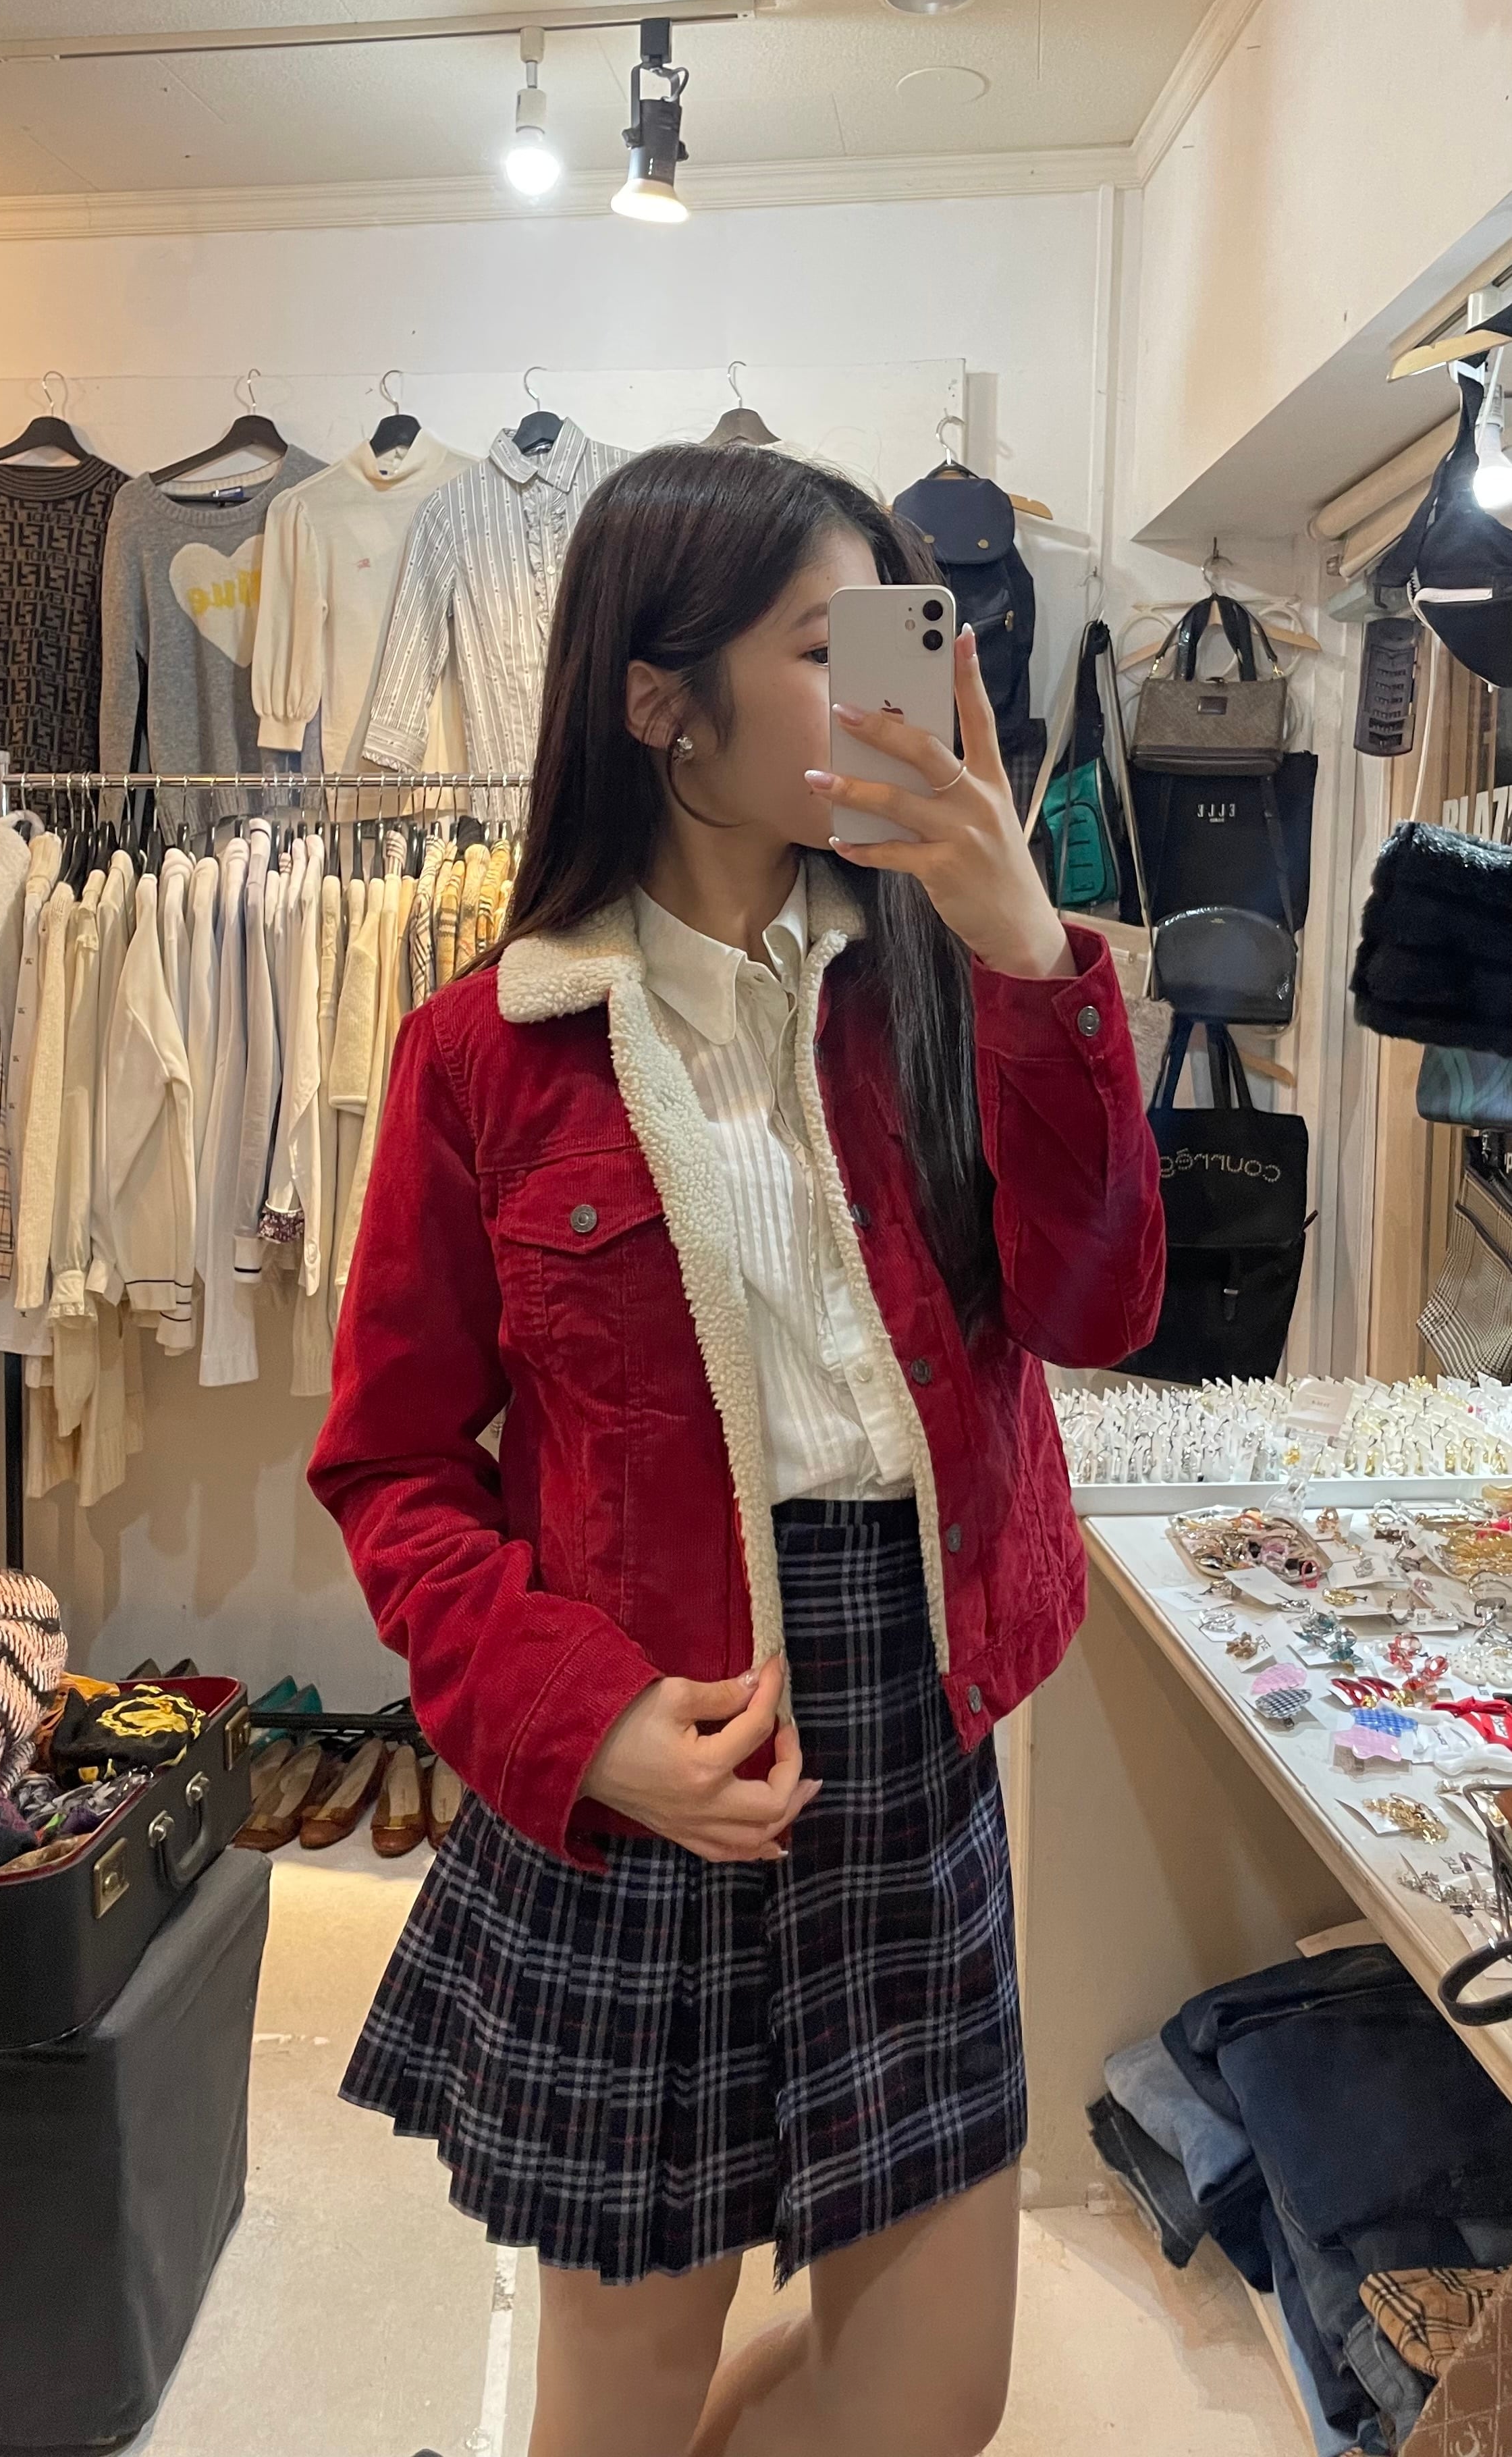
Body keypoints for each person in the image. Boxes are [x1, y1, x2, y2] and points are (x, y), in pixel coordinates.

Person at [309, 444, 1164, 2457]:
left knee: (932, 2400)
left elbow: (1100, 1312)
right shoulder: (489, 1050)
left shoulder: (945, 979)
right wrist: (577, 1717)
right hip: (657, 1749)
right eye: (819, 643)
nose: (880, 688)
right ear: (659, 701)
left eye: (890, 631)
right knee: (618, 2401)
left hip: (914, 1742)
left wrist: (1024, 953)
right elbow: (391, 1467)